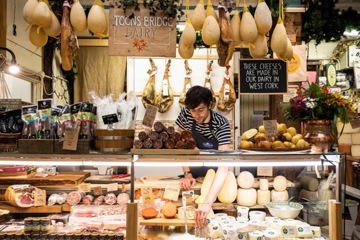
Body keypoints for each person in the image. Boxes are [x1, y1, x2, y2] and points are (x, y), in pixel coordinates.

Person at [175, 85, 232, 228]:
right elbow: (181, 146)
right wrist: (187, 173)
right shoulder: (186, 114)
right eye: (193, 110)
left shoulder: (221, 124)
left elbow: (223, 166)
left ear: (210, 105)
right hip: (193, 173)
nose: (196, 115)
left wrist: (207, 203)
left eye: (200, 110)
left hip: (216, 177)